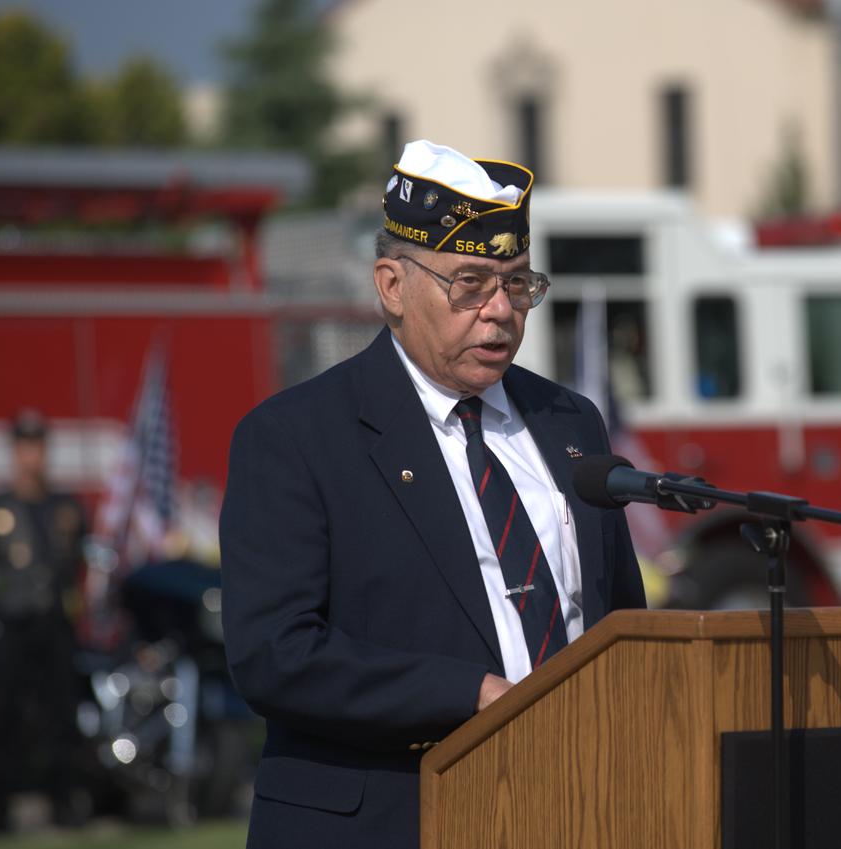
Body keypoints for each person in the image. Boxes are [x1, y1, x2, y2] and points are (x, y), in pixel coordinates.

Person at [220, 140, 646, 849]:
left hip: (572, 806)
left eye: (518, 285)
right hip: (392, 818)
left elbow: (619, 621)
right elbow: (275, 652)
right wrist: (471, 693)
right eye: (470, 283)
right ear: (392, 284)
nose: (500, 312)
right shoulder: (296, 437)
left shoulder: (570, 422)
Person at [0, 409, 86, 834]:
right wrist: (1, 592)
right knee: (6, 716)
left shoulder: (64, 506)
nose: (32, 455)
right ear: (15, 452)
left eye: (38, 446)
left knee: (61, 716)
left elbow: (82, 561)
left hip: (53, 625)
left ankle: (63, 802)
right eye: (24, 446)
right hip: (10, 626)